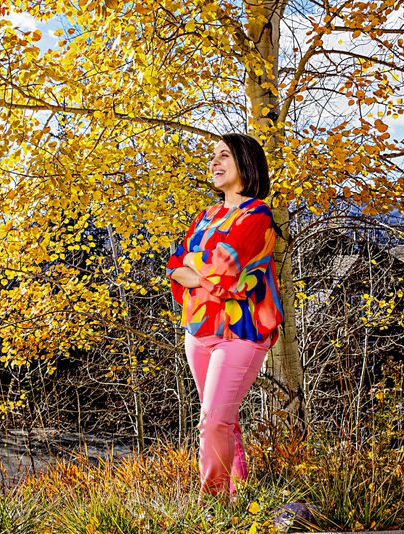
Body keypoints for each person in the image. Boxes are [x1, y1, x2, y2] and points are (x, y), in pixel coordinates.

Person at [166, 133, 284, 500]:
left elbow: (227, 272)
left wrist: (194, 265)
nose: (214, 163)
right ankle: (238, 494)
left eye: (224, 156)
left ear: (246, 165)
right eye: (213, 156)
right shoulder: (205, 217)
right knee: (223, 421)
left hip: (243, 332)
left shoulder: (257, 214)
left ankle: (213, 501)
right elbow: (173, 265)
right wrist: (198, 268)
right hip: (199, 330)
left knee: (213, 420)